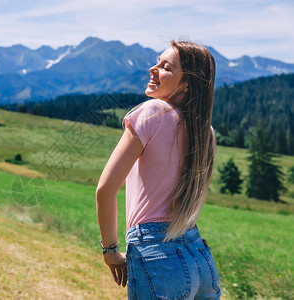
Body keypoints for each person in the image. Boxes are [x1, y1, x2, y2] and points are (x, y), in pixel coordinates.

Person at [96, 41, 221, 299]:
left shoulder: (152, 113)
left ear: (186, 84)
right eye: (157, 62)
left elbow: (106, 190)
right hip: (199, 257)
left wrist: (110, 252)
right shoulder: (205, 133)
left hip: (158, 258)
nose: (153, 69)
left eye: (166, 67)